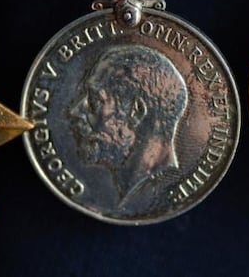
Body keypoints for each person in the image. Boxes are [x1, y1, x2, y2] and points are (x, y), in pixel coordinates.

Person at [69, 45, 188, 205]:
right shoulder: (146, 195)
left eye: (94, 100)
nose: (75, 111)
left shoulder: (157, 195)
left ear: (136, 112)